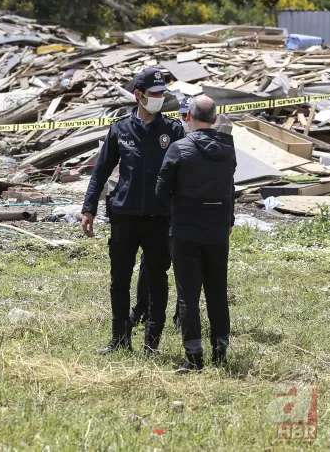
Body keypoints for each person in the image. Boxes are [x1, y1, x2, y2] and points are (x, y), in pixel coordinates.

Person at [81, 68, 185, 355]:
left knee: (157, 280)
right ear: (138, 96)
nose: (159, 99)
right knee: (120, 280)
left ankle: (152, 343)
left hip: (159, 217)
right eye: (153, 94)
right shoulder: (120, 129)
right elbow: (100, 172)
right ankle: (119, 338)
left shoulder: (173, 130)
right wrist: (88, 208)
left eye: (162, 94)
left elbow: (185, 174)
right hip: (124, 216)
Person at [155, 95, 236, 373]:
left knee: (188, 294)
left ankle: (194, 357)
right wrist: (229, 218)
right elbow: (230, 187)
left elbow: (161, 191)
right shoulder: (228, 149)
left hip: (186, 229)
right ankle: (221, 353)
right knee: (217, 292)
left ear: (187, 117)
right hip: (217, 229)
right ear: (215, 119)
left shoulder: (178, 148)